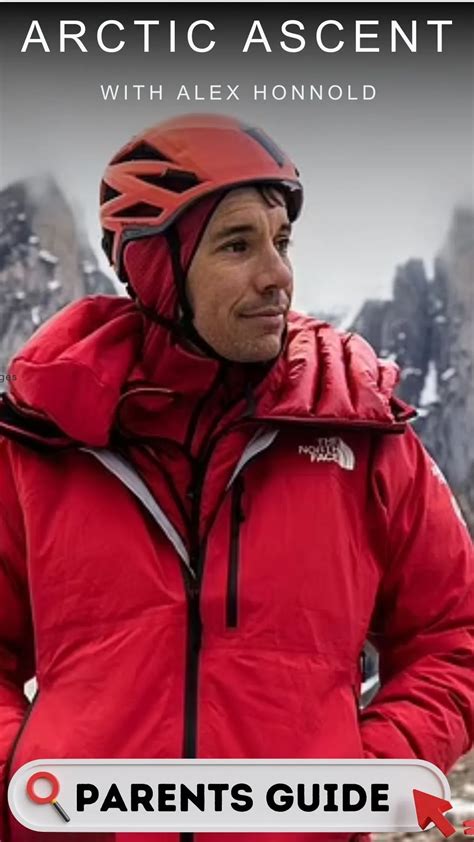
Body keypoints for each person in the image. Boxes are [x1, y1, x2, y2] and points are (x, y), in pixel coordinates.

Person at [0, 113, 472, 842]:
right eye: (238, 244)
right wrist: (24, 781)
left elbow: (454, 635)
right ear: (156, 269)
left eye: (282, 241)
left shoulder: (365, 438)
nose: (278, 275)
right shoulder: (40, 443)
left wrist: (366, 778)